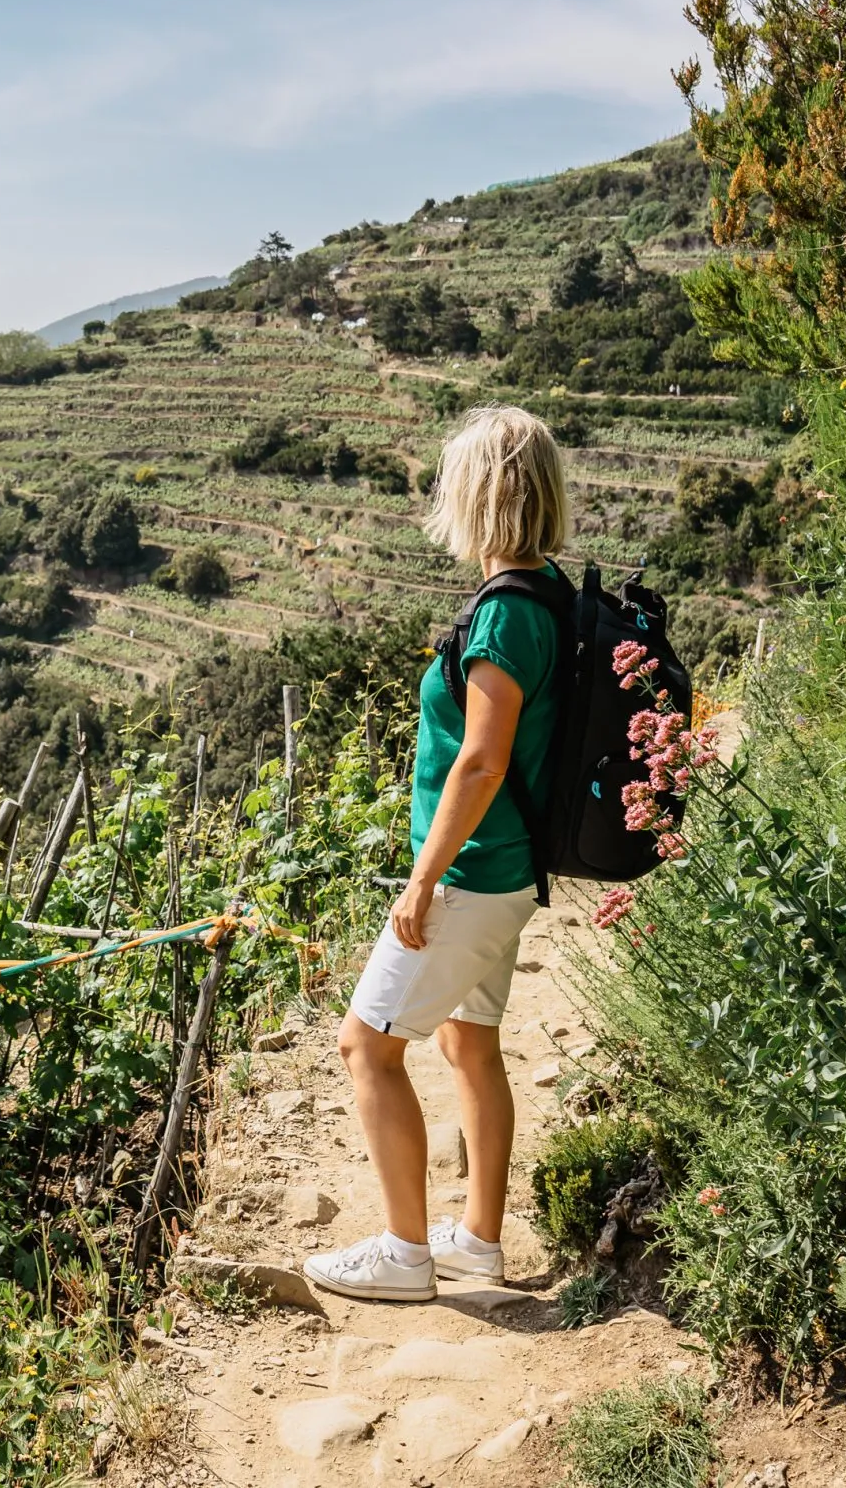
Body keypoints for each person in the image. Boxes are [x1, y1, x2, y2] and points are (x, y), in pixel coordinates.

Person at [304, 405, 565, 1302]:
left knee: (364, 1047)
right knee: (468, 1043)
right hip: (509, 872)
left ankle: (406, 1252)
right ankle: (477, 1242)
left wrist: (421, 878)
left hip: (469, 873)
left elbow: (484, 757)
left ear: (482, 496)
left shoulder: (502, 619)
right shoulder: (550, 594)